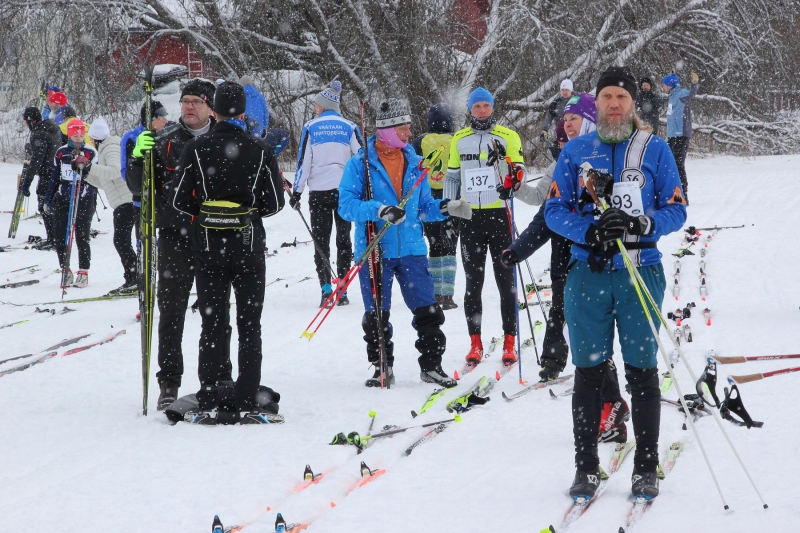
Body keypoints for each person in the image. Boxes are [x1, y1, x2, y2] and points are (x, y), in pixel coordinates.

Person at [545, 65, 687, 501]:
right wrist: (586, 231)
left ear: (632, 104)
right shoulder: (576, 151)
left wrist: (642, 221)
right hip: (588, 274)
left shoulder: (655, 149)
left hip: (640, 271)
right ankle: (585, 468)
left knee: (642, 373)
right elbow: (554, 210)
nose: (613, 104)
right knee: (588, 373)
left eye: (621, 98)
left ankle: (645, 467)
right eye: (606, 97)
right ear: (597, 103)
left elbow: (677, 209)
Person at [501, 93, 630, 442]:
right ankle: (607, 406)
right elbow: (545, 219)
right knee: (581, 337)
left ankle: (613, 403)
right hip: (568, 268)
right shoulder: (563, 165)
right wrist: (517, 250)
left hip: (604, 265)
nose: (568, 126)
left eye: (575, 119)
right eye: (565, 122)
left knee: (596, 342)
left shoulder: (611, 158)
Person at [338, 98, 472, 388]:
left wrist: (447, 207)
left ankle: (432, 366)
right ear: (387, 129)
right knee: (376, 314)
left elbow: (423, 206)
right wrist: (380, 210)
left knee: (429, 311)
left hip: (412, 249)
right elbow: (346, 205)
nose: (410, 133)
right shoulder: (359, 164)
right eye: (404, 128)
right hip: (376, 249)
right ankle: (381, 366)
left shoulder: (415, 162)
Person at [172, 81, 285, 423]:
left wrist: (207, 211)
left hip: (208, 247)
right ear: (244, 112)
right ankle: (247, 392)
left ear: (214, 110)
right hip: (248, 246)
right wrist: (246, 212)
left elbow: (179, 199)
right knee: (250, 323)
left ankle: (211, 389)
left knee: (213, 321)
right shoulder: (260, 149)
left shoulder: (197, 147)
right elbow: (275, 202)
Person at [126, 79, 229, 411]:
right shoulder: (164, 141)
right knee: (170, 312)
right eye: (184, 100)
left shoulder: (223, 139)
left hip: (215, 236)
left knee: (216, 312)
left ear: (210, 107)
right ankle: (169, 382)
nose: (188, 107)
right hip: (174, 237)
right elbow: (137, 187)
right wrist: (138, 158)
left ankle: (216, 377)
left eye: (196, 101)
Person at [443, 87, 527, 368]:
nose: (482, 110)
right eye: (477, 106)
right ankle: (475, 343)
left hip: (499, 216)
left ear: (493, 108)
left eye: (486, 106)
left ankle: (509, 342)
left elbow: (519, 174)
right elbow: (453, 177)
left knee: (506, 284)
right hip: (471, 220)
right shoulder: (459, 139)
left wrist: (508, 168)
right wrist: (448, 207)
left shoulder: (508, 136)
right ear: (470, 109)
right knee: (473, 284)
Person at [292, 81, 361, 307]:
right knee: (343, 239)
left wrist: (297, 191)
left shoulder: (311, 128)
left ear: (323, 106)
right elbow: (362, 157)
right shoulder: (349, 126)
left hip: (319, 192)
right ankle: (342, 286)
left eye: (316, 104)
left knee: (321, 241)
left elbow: (304, 162)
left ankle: (325, 289)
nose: (314, 108)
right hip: (344, 192)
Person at [412, 103, 459, 310]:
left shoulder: (421, 141)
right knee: (450, 246)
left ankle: (434, 293)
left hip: (428, 199)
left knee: (434, 245)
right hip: (451, 198)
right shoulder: (456, 139)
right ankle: (447, 295)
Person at [84, 117, 137, 295]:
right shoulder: (105, 149)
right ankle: (135, 277)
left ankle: (135, 278)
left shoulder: (111, 147)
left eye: (90, 138)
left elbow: (115, 171)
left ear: (95, 138)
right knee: (121, 241)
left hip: (128, 201)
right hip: (122, 202)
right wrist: (84, 173)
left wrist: (90, 167)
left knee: (121, 241)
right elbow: (105, 182)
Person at [43, 121, 98, 288]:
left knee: (82, 236)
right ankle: (65, 269)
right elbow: (54, 176)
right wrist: (48, 198)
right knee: (60, 236)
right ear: (69, 134)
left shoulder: (90, 152)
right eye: (76, 135)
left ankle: (83, 271)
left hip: (84, 196)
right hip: (64, 195)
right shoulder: (61, 152)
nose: (79, 139)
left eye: (82, 135)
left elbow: (96, 177)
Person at [19, 106, 62, 251]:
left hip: (47, 174)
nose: (26, 125)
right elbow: (48, 150)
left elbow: (37, 160)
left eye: (26, 121)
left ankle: (53, 240)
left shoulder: (39, 134)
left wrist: (27, 182)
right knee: (51, 204)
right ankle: (56, 237)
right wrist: (32, 148)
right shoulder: (52, 129)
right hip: (56, 172)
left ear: (31, 120)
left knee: (44, 205)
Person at [663, 71, 699, 200]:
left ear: (670, 85)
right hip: (672, 135)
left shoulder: (681, 94)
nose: (663, 86)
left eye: (664, 84)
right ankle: (674, 191)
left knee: (678, 163)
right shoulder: (672, 96)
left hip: (681, 134)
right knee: (670, 163)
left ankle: (683, 193)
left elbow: (691, 94)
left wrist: (694, 83)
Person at [540, 79, 573, 160]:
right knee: (560, 160)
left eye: (567, 90)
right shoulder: (556, 103)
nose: (565, 92)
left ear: (571, 90)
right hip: (559, 136)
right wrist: (544, 130)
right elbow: (549, 118)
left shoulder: (576, 100)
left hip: (573, 135)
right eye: (563, 90)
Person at [239, 75, 270, 139]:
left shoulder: (239, 96)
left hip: (244, 128)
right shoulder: (259, 96)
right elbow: (266, 113)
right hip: (258, 129)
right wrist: (265, 127)